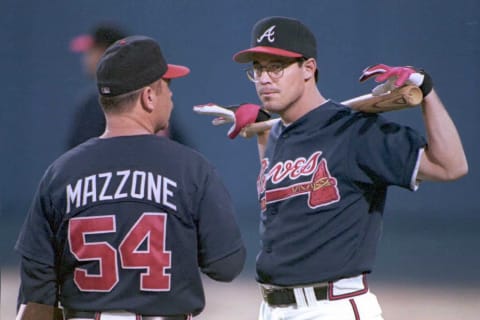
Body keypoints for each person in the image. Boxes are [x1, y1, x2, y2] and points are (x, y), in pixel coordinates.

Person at [201, 16, 468, 320]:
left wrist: (427, 91)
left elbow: (450, 166)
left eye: (276, 67)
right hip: (272, 308)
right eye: (258, 69)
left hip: (332, 307)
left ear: (308, 69)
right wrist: (261, 127)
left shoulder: (354, 132)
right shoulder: (276, 133)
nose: (264, 78)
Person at [15, 35, 246, 320]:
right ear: (149, 96)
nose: (172, 97)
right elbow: (226, 266)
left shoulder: (60, 174)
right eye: (168, 87)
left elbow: (36, 288)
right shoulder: (192, 169)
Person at [67, 23, 127, 149]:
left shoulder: (98, 101)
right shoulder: (153, 97)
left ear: (105, 53)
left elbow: (80, 155)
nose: (84, 59)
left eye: (90, 52)